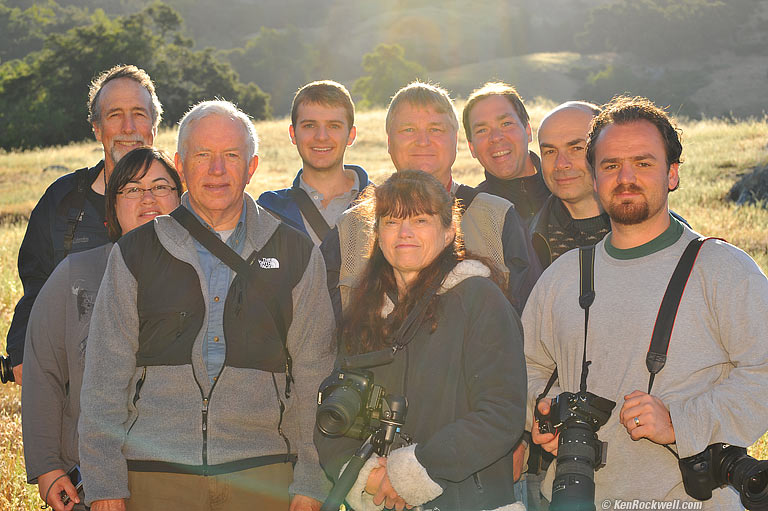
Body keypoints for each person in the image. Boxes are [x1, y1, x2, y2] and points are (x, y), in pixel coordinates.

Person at [78, 100, 335, 511]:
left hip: (264, 474)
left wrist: (312, 478)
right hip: (153, 476)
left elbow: (315, 373)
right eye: (202, 155)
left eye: (231, 155)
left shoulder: (296, 252)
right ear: (181, 166)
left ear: (251, 167)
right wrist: (104, 482)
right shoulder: (134, 252)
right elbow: (104, 377)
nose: (217, 170)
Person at [524, 96, 768, 509]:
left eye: (643, 162)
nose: (625, 177)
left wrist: (681, 422)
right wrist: (541, 413)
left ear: (672, 174)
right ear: (594, 177)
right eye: (610, 165)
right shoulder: (562, 276)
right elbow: (525, 368)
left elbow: (763, 371)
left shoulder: (722, 269)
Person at [315, 170, 527, 511]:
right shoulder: (364, 313)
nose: (405, 233)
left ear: (448, 231)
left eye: (420, 220)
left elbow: (501, 414)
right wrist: (367, 477)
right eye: (392, 221)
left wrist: (414, 471)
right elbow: (334, 412)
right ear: (378, 235)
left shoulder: (480, 299)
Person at [22, 147, 182, 511]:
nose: (148, 198)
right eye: (132, 189)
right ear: (113, 208)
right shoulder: (74, 274)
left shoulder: (207, 276)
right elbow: (42, 373)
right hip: (90, 480)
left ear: (180, 199)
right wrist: (47, 466)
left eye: (161, 186)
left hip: (183, 481)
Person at [324, 81, 540, 320]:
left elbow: (529, 322)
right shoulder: (349, 229)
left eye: (436, 129)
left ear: (456, 140)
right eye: (408, 129)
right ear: (389, 142)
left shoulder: (498, 219)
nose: (423, 141)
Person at [5, 64, 162, 384]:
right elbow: (36, 283)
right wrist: (22, 348)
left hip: (160, 382)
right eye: (115, 114)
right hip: (75, 380)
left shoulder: (179, 199)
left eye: (139, 114)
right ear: (97, 128)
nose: (128, 127)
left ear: (154, 127)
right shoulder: (62, 200)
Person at [258, 80, 371, 245]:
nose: (321, 137)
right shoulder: (268, 211)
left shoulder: (383, 206)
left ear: (351, 135)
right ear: (293, 134)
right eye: (310, 125)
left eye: (334, 126)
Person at [530, 101, 610, 268]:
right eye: (550, 151)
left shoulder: (647, 227)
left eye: (576, 148)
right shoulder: (524, 240)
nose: (561, 164)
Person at [463, 82, 550, 224]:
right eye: (482, 130)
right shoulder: (470, 217)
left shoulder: (566, 189)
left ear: (528, 131)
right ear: (471, 147)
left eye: (506, 124)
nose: (496, 137)